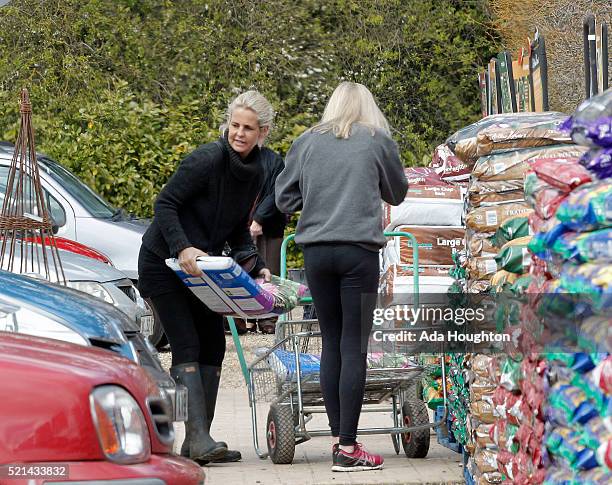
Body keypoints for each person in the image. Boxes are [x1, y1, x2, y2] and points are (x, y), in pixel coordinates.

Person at [275, 82, 408, 472]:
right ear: (368, 107)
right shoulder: (376, 140)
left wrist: (317, 194)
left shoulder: (306, 141)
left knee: (330, 342)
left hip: (316, 252)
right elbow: (397, 193)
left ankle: (338, 442)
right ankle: (348, 448)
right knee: (354, 345)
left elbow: (284, 199)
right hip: (358, 252)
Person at [138, 90, 274, 464]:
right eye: (235, 125)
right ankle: (194, 437)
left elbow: (236, 227)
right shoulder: (207, 159)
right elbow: (165, 204)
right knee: (187, 344)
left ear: (262, 132)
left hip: (202, 269)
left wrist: (253, 260)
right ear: (227, 125)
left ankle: (202, 439)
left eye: (248, 128)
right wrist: (182, 247)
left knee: (213, 343)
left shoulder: (257, 171)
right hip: (162, 262)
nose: (239, 133)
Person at [249, 146, 287, 334]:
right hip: (243, 223)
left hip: (270, 225)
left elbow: (275, 193)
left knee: (269, 271)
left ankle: (267, 319)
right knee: (244, 270)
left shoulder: (274, 160)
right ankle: (245, 318)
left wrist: (259, 218)